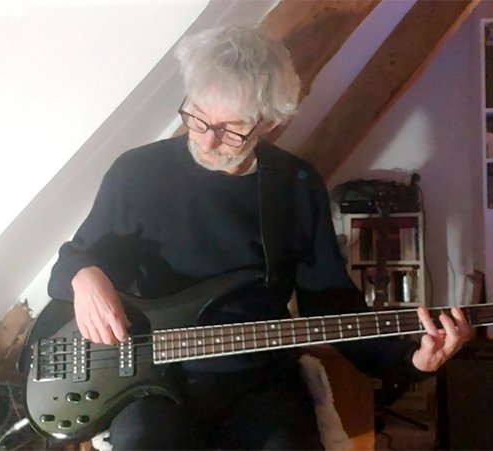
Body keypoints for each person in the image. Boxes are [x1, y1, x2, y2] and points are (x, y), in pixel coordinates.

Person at [47, 25, 471, 450]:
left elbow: (331, 301)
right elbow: (72, 264)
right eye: (197, 116)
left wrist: (409, 360)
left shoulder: (295, 185)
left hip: (259, 378)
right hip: (152, 379)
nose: (207, 141)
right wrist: (84, 275)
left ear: (269, 122)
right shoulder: (138, 173)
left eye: (230, 129)